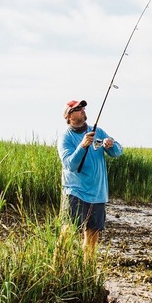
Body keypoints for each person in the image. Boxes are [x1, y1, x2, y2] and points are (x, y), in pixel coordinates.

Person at [58, 98, 123, 255]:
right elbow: (70, 165)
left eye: (83, 108)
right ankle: (58, 268)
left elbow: (118, 152)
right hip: (75, 192)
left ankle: (87, 272)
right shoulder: (65, 138)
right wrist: (83, 145)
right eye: (77, 108)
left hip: (97, 193)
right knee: (67, 233)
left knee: (93, 236)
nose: (82, 110)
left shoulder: (98, 131)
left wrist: (111, 145)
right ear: (69, 116)